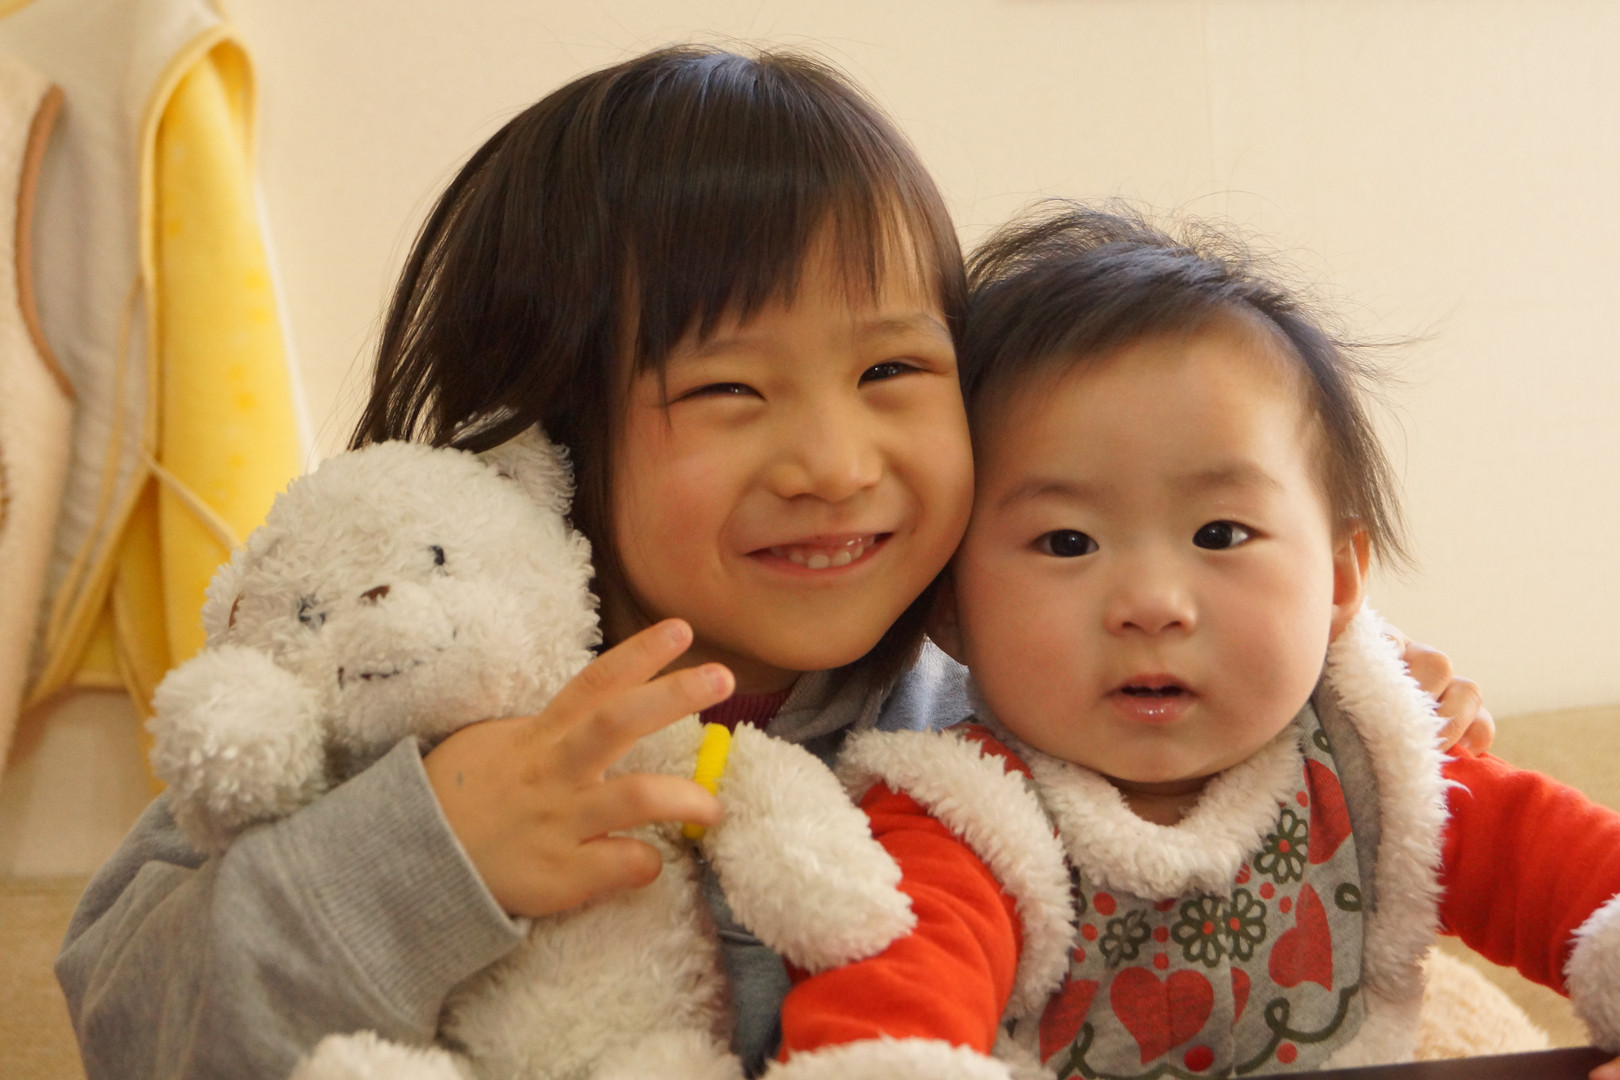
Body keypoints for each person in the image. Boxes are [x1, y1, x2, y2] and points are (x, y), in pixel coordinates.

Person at [55, 51, 1487, 1080]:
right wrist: (425, 854)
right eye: (730, 390)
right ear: (550, 430)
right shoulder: (409, 691)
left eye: (892, 370)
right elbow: (123, 1018)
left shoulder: (992, 711)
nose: (835, 461)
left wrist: (1354, 724)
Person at [775, 204, 1620, 1078]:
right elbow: (885, 1031)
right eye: (1067, 542)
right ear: (950, 607)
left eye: (1220, 534)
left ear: (1339, 581)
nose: (1151, 605)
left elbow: (1586, 879)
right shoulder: (961, 820)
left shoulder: (1375, 766)